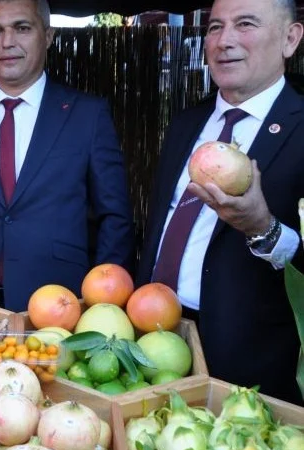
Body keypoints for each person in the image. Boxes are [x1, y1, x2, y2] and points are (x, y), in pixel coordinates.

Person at [137, 0, 304, 404]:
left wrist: (263, 228)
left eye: (245, 24)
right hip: (153, 335)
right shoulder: (186, 123)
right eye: (215, 27)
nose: (224, 41)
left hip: (249, 364)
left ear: (290, 38)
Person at [0, 0, 134, 311]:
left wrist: (103, 303)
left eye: (22, 28)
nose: (7, 42)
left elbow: (115, 217)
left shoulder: (87, 115)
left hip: (57, 305)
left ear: (48, 36)